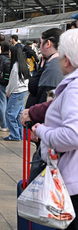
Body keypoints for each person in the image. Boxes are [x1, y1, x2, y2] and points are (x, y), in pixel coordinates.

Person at [31, 29, 78, 229]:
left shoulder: (74, 88)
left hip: (73, 182)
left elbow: (73, 135)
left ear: (66, 60)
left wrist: (42, 130)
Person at [25, 28, 64, 108]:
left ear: (48, 44)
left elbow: (44, 98)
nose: (39, 46)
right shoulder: (49, 61)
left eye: (41, 42)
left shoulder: (52, 67)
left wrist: (34, 115)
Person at [3, 45, 30, 141]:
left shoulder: (15, 67)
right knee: (19, 114)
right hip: (23, 91)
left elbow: (13, 83)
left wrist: (8, 92)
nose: (9, 54)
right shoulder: (24, 64)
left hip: (16, 92)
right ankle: (21, 134)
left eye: (10, 52)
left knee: (10, 113)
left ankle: (15, 135)